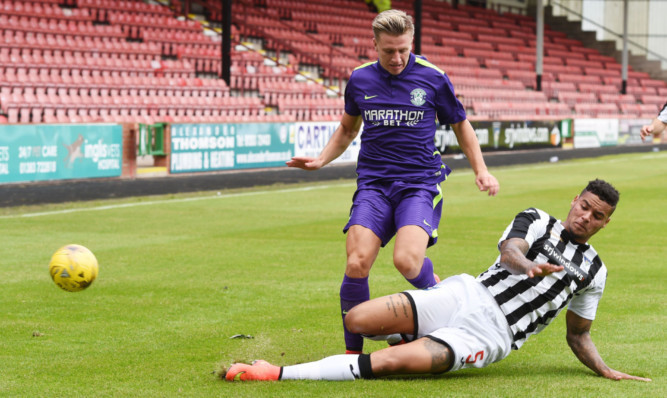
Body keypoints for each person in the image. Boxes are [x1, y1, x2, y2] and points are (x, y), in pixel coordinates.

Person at [224, 179, 651, 383]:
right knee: (357, 319)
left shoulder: (595, 271)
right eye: (585, 207)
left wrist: (607, 369)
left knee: (389, 367)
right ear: (574, 199)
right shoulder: (538, 219)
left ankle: (276, 373)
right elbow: (510, 250)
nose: (586, 217)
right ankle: (411, 329)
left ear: (605, 223)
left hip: (490, 334)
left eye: (598, 216)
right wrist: (525, 267)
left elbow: (579, 335)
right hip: (465, 293)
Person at [286, 9, 499, 355]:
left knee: (407, 262)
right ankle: (352, 355)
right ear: (375, 45)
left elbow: (461, 124)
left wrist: (481, 170)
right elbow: (347, 128)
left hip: (419, 184)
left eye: (403, 49)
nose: (397, 58)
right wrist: (321, 160)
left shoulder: (433, 77)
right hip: (373, 185)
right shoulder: (359, 79)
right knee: (356, 262)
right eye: (388, 51)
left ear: (411, 42)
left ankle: (443, 300)